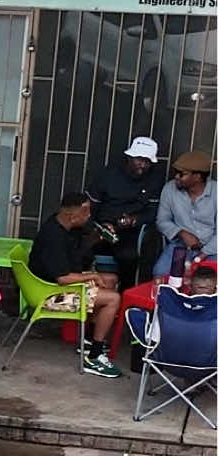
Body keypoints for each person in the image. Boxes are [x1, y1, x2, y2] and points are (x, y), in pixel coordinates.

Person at [27, 191, 122, 380]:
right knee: (113, 299)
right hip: (50, 295)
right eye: (86, 214)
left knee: (110, 280)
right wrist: (92, 276)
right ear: (72, 216)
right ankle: (94, 356)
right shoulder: (52, 237)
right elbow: (63, 278)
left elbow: (76, 258)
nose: (89, 217)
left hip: (56, 284)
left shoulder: (67, 227)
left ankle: (88, 340)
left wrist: (95, 239)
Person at [87, 137, 160, 288]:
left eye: (147, 161)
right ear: (129, 157)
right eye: (139, 160)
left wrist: (135, 220)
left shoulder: (154, 179)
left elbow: (153, 212)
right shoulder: (108, 175)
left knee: (129, 257)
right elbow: (90, 206)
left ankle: (124, 295)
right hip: (100, 226)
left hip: (129, 232)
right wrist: (100, 225)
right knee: (81, 250)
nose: (143, 165)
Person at [154, 150, 217, 275]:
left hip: (213, 249)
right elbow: (162, 221)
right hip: (180, 246)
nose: (176, 177)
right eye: (175, 173)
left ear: (197, 176)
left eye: (181, 174)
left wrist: (202, 255)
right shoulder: (170, 188)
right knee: (160, 274)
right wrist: (181, 233)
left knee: (207, 283)